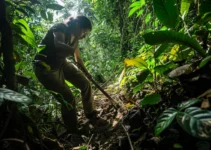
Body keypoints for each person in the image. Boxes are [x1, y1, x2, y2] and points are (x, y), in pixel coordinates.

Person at [33, 15, 108, 134]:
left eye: (86, 34)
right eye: (84, 32)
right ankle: (73, 130)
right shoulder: (60, 27)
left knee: (85, 84)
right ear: (77, 25)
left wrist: (87, 73)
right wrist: (71, 49)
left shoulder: (75, 39)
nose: (84, 36)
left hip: (61, 63)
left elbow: (77, 59)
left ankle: (90, 114)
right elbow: (58, 45)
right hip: (45, 68)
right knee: (67, 98)